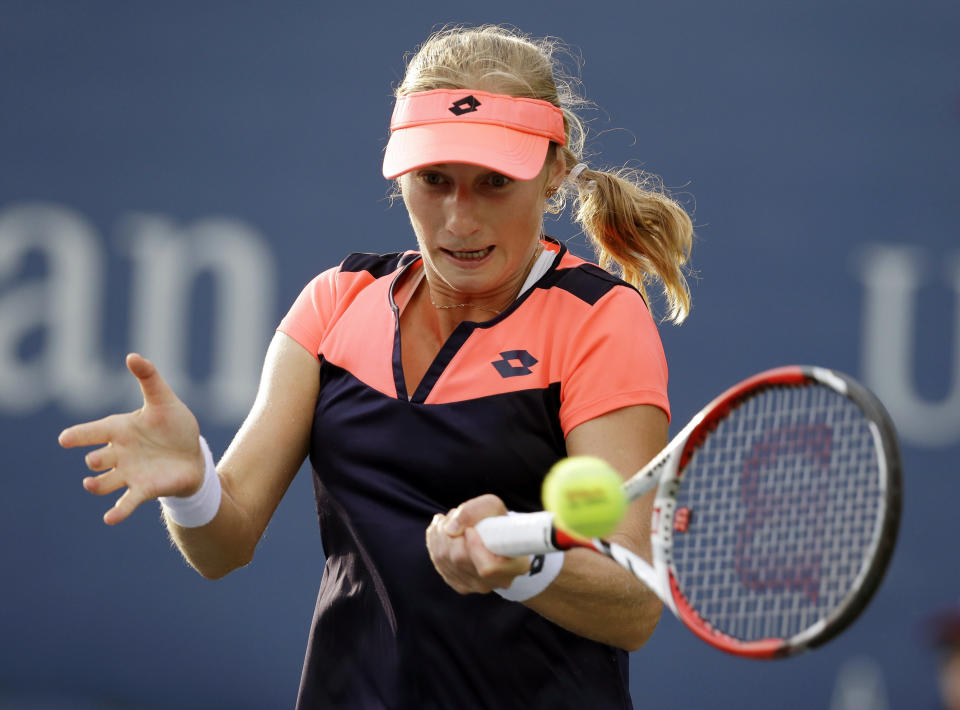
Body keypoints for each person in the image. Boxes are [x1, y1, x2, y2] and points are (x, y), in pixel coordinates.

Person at [59, 25, 694, 709]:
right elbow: (223, 546)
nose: (459, 219)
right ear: (402, 176)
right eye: (434, 180)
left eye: (493, 183)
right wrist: (192, 488)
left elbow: (633, 608)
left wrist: (521, 569)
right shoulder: (336, 303)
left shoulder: (597, 318)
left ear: (554, 173)